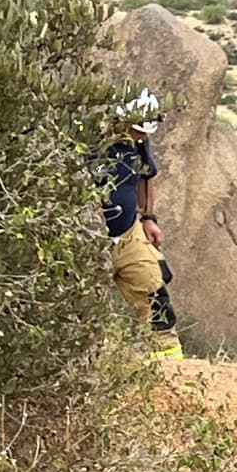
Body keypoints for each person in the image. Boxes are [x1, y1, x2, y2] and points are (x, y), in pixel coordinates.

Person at [95, 88, 182, 359]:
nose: (143, 136)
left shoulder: (139, 141)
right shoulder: (91, 143)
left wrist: (148, 218)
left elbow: (146, 175)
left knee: (156, 295)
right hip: (89, 241)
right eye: (137, 130)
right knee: (82, 310)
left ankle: (170, 365)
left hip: (130, 233)